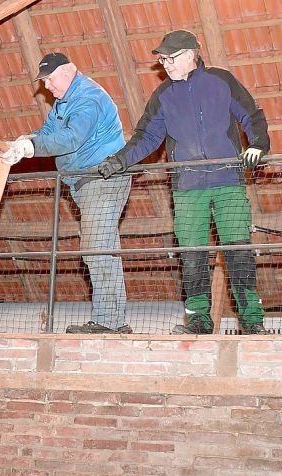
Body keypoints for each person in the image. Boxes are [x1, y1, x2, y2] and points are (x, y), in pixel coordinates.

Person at [97, 30, 271, 335]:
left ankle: (251, 321)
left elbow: (252, 115)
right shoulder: (163, 95)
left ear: (192, 54)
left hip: (228, 181)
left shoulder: (221, 80)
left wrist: (258, 144)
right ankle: (198, 320)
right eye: (162, 59)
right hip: (187, 190)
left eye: (171, 57)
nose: (165, 63)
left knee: (238, 251)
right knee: (192, 256)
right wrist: (120, 160)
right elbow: (147, 137)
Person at [1, 53, 132, 334]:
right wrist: (25, 141)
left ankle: (110, 321)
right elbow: (49, 131)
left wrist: (31, 149)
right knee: (100, 248)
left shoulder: (88, 98)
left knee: (97, 248)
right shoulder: (64, 103)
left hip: (102, 179)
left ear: (67, 72)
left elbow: (72, 138)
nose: (46, 86)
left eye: (49, 78)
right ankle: (112, 320)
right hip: (87, 183)